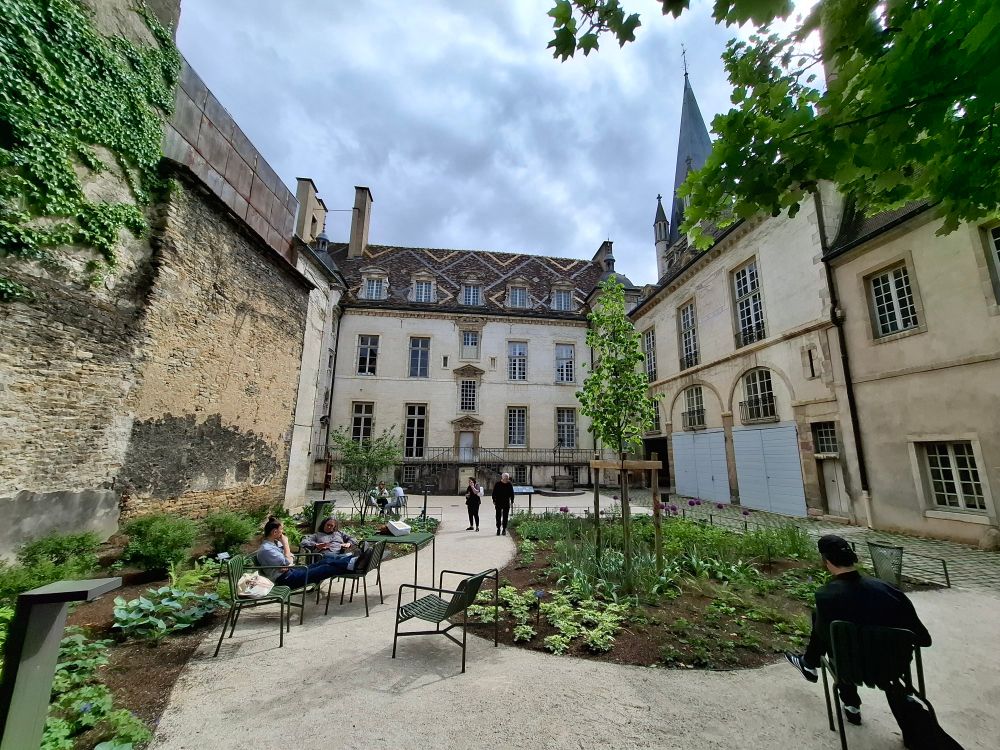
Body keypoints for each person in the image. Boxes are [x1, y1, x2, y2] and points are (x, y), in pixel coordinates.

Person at [784, 534, 933, 744]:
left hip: (849, 669)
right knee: (837, 638)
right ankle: (810, 666)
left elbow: (827, 641)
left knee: (833, 638)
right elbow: (924, 639)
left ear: (826, 562)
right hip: (892, 667)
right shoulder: (889, 591)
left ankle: (834, 688)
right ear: (854, 559)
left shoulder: (826, 596)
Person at [256, 517, 371, 588]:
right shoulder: (267, 549)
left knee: (325, 561)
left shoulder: (275, 544)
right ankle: (355, 563)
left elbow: (290, 559)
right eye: (282, 530)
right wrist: (286, 546)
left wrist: (289, 561)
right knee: (326, 568)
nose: (283, 533)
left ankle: (354, 561)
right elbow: (287, 562)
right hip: (286, 579)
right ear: (275, 532)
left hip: (292, 571)